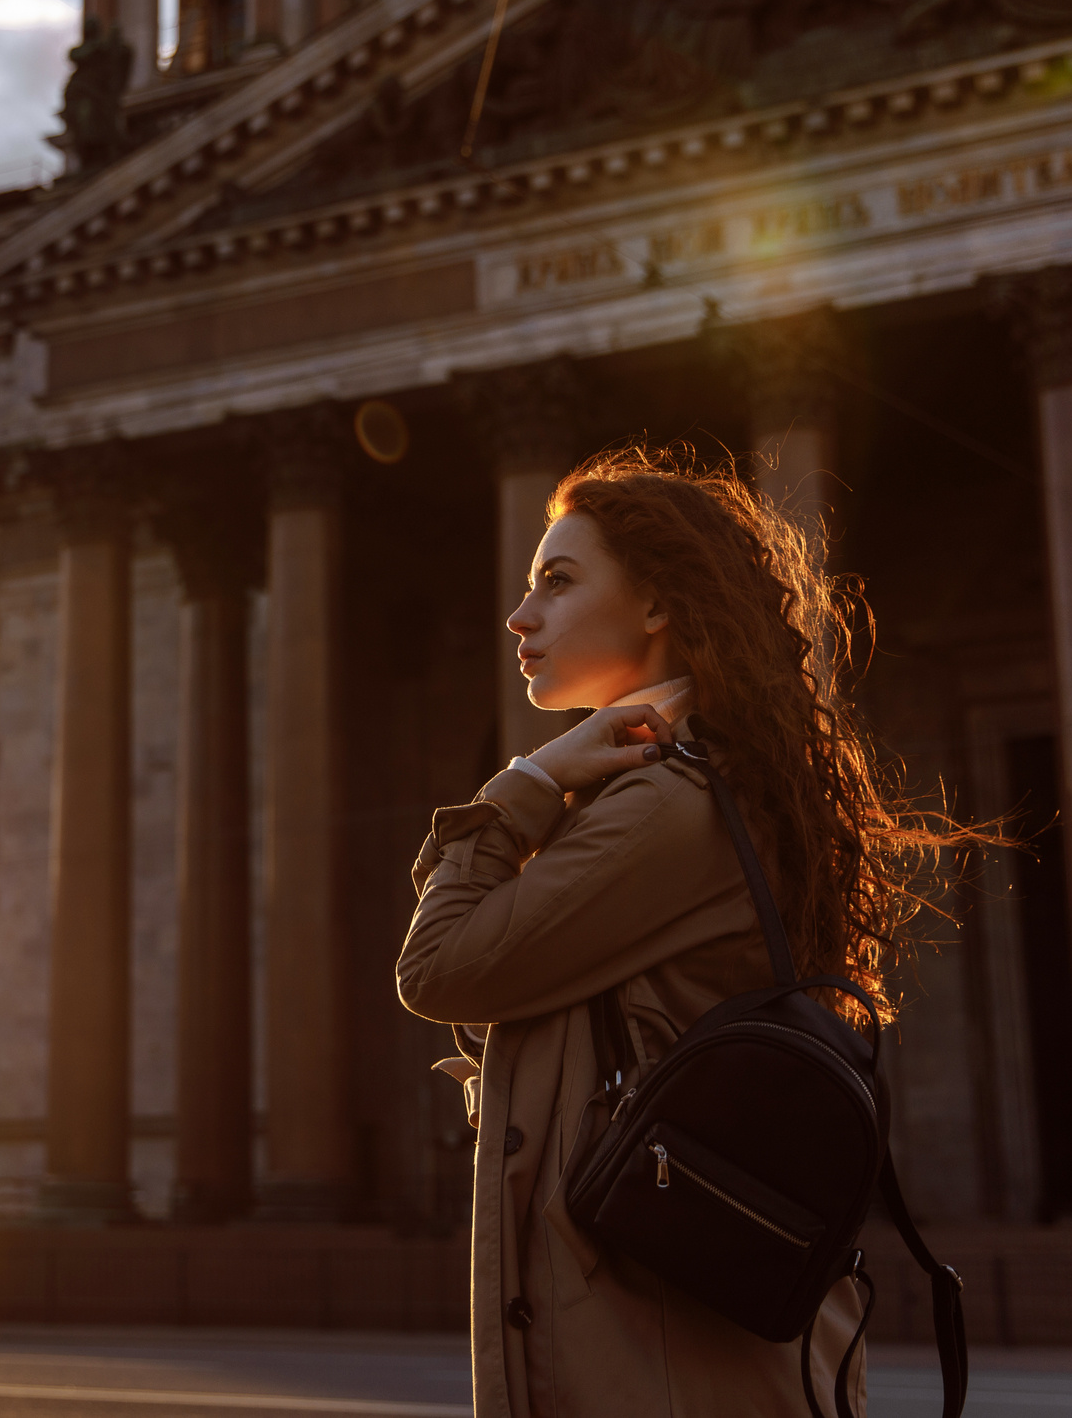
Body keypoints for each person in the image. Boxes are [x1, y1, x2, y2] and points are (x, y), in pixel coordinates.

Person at [397, 444, 961, 1417]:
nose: (519, 615)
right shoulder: (711, 786)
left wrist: (526, 784)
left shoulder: (664, 803)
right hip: (683, 1347)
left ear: (657, 605)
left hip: (651, 1359)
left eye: (557, 582)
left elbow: (439, 966)